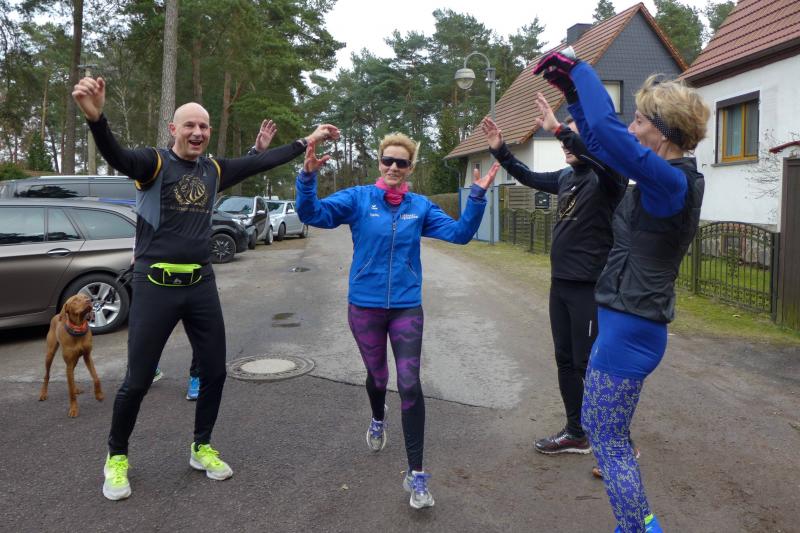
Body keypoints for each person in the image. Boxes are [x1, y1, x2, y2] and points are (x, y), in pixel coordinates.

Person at [72, 75, 339, 501]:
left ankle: (202, 446)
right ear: (173, 130)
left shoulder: (213, 170)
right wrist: (97, 120)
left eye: (204, 126)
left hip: (200, 284)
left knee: (214, 372)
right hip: (155, 285)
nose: (197, 132)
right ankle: (116, 456)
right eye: (190, 125)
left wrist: (306, 140)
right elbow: (117, 155)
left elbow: (259, 165)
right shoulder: (153, 164)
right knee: (137, 381)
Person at [533, 50, 710, 532]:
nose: (632, 128)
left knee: (608, 441)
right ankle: (638, 524)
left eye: (640, 120)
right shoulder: (660, 176)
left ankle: (637, 527)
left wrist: (580, 70)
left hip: (632, 328)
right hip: (625, 322)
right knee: (605, 434)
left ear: (663, 132)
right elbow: (599, 141)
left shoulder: (672, 183)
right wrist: (572, 94)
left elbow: (611, 136)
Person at [294, 133, 499, 509]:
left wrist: (477, 197)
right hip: (365, 307)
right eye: (388, 160)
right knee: (378, 378)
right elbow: (312, 214)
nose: (393, 167)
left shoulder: (419, 207)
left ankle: (416, 475)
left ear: (410, 168)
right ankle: (377, 416)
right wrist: (307, 178)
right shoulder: (358, 199)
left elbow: (460, 235)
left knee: (409, 384)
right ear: (379, 162)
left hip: (406, 307)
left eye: (401, 162)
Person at [481, 93, 626, 456]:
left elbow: (594, 155)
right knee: (565, 360)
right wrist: (500, 150)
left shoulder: (608, 177)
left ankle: (615, 436)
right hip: (560, 285)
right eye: (564, 138)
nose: (565, 144)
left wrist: (560, 128)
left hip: (589, 288)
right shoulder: (566, 177)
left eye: (573, 137)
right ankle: (576, 431)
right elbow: (527, 176)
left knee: (589, 364)